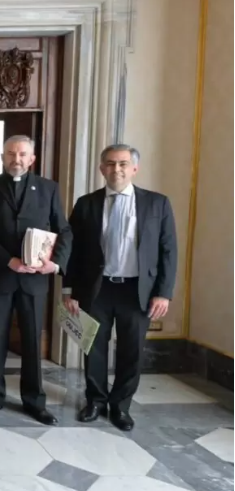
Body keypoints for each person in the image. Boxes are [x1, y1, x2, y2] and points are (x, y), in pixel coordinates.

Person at [64, 144, 177, 432]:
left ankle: (121, 406)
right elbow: (73, 251)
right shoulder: (85, 204)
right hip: (96, 290)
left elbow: (168, 251)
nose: (117, 169)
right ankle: (95, 401)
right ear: (102, 169)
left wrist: (163, 292)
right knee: (94, 349)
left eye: (123, 164)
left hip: (137, 291)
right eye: (111, 164)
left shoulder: (157, 204)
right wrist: (69, 291)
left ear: (134, 168)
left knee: (132, 351)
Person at [0, 135, 71, 426]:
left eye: (22, 154)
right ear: (3, 157)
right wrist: (9, 260)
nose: (16, 159)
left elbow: (64, 230)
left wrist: (55, 263)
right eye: (11, 154)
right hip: (2, 275)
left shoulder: (49, 189)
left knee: (31, 341)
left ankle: (34, 402)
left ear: (32, 159)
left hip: (36, 280)